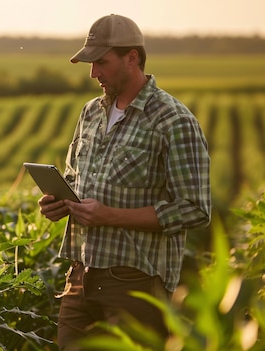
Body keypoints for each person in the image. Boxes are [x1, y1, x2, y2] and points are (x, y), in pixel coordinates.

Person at [37, 14, 211, 350]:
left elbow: (195, 210)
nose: (93, 73)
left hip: (136, 284)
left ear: (132, 58)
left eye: (101, 62)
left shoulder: (173, 121)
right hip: (80, 276)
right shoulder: (90, 112)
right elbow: (75, 177)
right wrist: (58, 202)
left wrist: (108, 215)